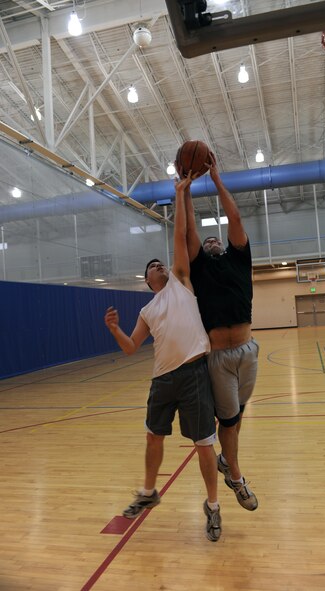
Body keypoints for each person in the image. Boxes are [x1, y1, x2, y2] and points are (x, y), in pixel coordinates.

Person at [104, 172, 221, 542]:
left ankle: (213, 507)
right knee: (154, 438)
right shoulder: (147, 310)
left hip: (194, 374)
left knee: (204, 444)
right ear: (147, 280)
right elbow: (130, 347)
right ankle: (149, 492)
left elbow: (178, 238)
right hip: (162, 380)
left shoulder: (181, 284)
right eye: (154, 266)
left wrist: (180, 193)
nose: (160, 266)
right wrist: (114, 329)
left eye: (162, 264)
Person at [180, 153, 259, 511]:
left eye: (217, 239)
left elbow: (236, 217)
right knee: (228, 421)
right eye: (208, 241)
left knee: (236, 418)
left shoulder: (239, 257)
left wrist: (216, 178)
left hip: (248, 351)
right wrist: (185, 190)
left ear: (226, 244)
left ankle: (229, 460)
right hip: (220, 357)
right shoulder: (200, 268)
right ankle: (237, 479)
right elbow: (190, 231)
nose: (212, 241)